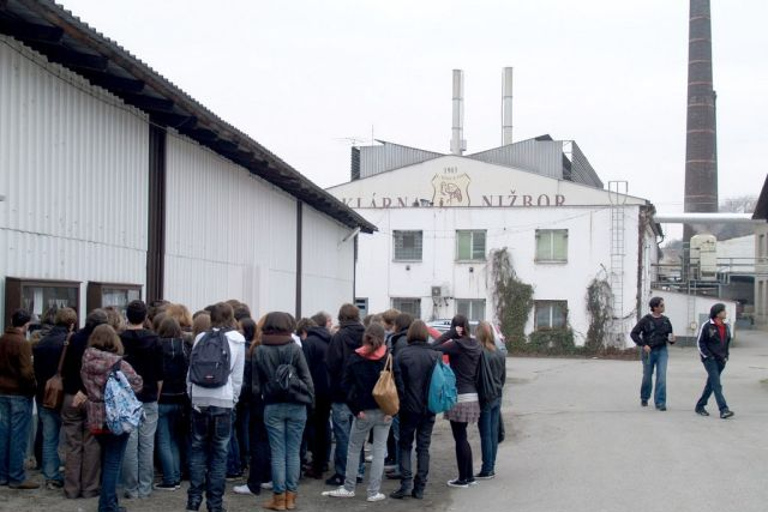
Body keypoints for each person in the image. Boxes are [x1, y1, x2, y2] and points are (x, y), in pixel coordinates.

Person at [186, 302, 245, 512]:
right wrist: (233, 399)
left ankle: (193, 501)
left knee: (198, 450)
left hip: (199, 399)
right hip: (223, 400)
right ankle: (215, 504)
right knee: (219, 454)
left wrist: (192, 395)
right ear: (231, 317)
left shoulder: (201, 337)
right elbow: (237, 376)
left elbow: (191, 372)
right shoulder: (238, 340)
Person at [253, 312, 314, 511]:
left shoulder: (260, 350)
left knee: (277, 452)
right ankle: (291, 498)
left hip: (272, 405)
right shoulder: (294, 348)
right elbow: (307, 378)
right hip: (297, 404)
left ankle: (278, 499)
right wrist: (310, 402)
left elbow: (255, 386)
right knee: (293, 452)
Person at [323, 323, 392, 502]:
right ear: (383, 337)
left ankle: (349, 487)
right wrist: (392, 411)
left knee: (354, 449)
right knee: (379, 451)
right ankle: (373, 492)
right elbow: (399, 386)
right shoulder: (388, 358)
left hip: (363, 412)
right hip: (384, 411)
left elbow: (345, 385)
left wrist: (355, 409)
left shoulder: (356, 357)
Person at [81, 324, 143, 512]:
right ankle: (107, 505)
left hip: (95, 416)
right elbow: (137, 384)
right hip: (116, 416)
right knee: (113, 462)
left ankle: (109, 502)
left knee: (106, 459)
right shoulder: (118, 364)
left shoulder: (86, 359)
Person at [390, 320, 439, 500]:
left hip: (407, 408)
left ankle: (405, 484)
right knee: (423, 447)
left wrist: (401, 403)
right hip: (428, 407)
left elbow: (398, 384)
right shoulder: (435, 355)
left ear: (410, 334)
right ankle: (420, 487)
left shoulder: (401, 355)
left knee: (405, 445)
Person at [120, 300, 164, 499]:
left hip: (126, 397)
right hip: (149, 394)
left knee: (129, 443)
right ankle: (145, 487)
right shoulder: (154, 340)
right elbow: (160, 373)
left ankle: (131, 487)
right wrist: (156, 394)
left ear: (127, 316)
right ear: (146, 317)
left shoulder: (119, 339)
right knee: (147, 443)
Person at [61, 309, 108, 499]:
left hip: (71, 396)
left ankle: (71, 488)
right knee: (92, 444)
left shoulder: (72, 338)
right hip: (92, 397)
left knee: (73, 444)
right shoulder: (102, 345)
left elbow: (65, 367)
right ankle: (90, 487)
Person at [434, 314, 482, 488]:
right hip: (472, 395)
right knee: (464, 437)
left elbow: (433, 347)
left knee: (460, 438)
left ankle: (463, 478)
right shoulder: (476, 344)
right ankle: (469, 477)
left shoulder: (456, 345)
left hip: (458, 396)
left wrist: (450, 334)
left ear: (455, 327)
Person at [32, 307, 77, 489]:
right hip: (65, 395)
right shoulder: (70, 341)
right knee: (73, 439)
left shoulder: (41, 342)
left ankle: (50, 476)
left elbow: (36, 371)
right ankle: (72, 474)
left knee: (49, 438)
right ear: (71, 324)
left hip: (45, 395)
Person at [324, 303, 366, 486]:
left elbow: (331, 363)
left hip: (341, 393)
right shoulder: (366, 335)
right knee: (359, 434)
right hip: (362, 393)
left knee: (342, 435)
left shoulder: (339, 337)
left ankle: (343, 472)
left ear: (341, 317)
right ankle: (359, 470)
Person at [0, 308, 38, 489]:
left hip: (2, 392)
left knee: (3, 434)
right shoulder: (22, 342)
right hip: (19, 393)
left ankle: (2, 475)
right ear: (27, 324)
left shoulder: (2, 339)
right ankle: (16, 476)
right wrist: (33, 387)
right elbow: (26, 372)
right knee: (18, 436)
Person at [154, 316, 189, 491]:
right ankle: (175, 475)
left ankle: (169, 478)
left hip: (163, 398)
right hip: (180, 398)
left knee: (163, 440)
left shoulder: (157, 346)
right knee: (174, 439)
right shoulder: (184, 347)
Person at [301, 311, 333, 480]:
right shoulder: (331, 339)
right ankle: (324, 460)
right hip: (328, 387)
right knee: (324, 425)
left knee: (313, 426)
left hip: (314, 388)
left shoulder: (309, 342)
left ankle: (317, 464)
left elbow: (304, 368)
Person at [630, 297, 675, 411]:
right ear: (655, 307)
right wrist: (643, 345)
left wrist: (672, 340)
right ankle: (644, 397)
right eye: (661, 305)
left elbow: (669, 336)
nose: (663, 307)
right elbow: (634, 334)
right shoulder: (646, 320)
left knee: (661, 376)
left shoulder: (666, 320)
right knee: (647, 376)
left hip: (662, 351)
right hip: (648, 351)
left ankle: (660, 402)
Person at [474, 321, 506, 480]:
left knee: (485, 434)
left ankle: (487, 468)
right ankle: (491, 466)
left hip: (485, 396)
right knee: (493, 433)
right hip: (497, 394)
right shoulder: (500, 353)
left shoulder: (480, 353)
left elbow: (476, 377)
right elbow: (503, 376)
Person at [695, 303, 734, 419]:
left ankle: (700, 406)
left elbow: (727, 342)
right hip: (710, 360)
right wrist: (708, 356)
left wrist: (726, 356)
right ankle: (723, 409)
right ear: (717, 313)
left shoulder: (726, 326)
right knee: (716, 384)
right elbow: (700, 342)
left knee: (711, 384)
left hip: (721, 360)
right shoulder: (707, 326)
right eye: (724, 311)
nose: (726, 313)